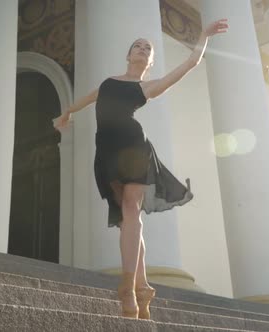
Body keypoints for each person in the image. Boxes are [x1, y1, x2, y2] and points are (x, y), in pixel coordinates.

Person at [53, 19, 229, 320]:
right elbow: (87, 99)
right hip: (106, 150)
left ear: (150, 61)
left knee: (132, 209)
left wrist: (204, 35)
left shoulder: (148, 87)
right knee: (127, 219)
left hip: (134, 147)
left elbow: (190, 63)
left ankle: (127, 286)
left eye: (147, 48)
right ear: (129, 55)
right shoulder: (109, 81)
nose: (142, 48)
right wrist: (66, 114)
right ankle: (143, 286)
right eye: (138, 45)